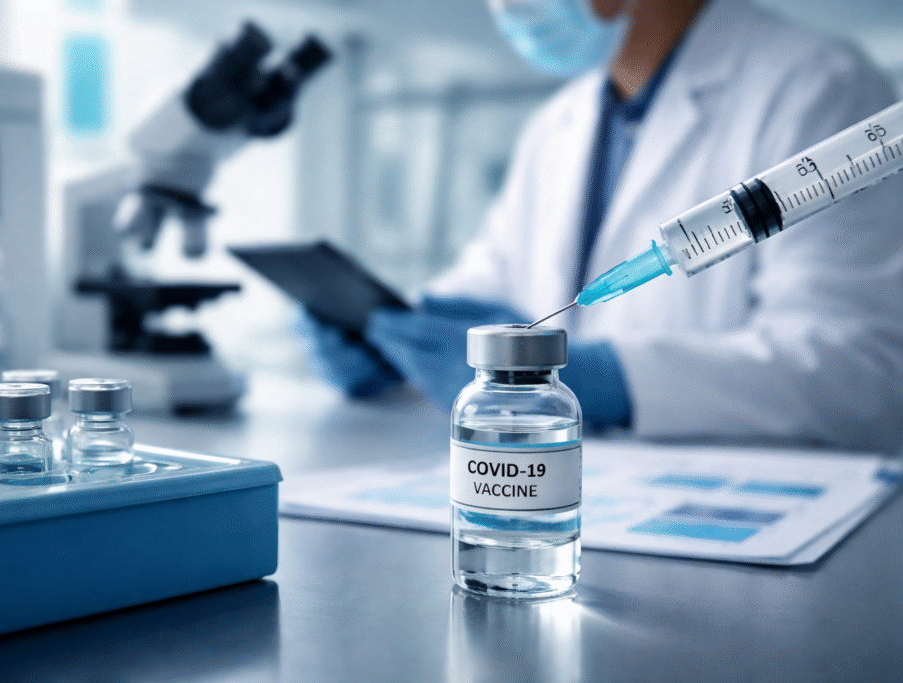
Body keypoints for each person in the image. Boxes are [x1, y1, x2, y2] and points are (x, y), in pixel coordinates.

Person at [302, 0, 903, 454]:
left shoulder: (818, 87)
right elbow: (497, 285)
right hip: (584, 497)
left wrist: (615, 380)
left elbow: (859, 372)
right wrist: (400, 341)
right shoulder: (556, 124)